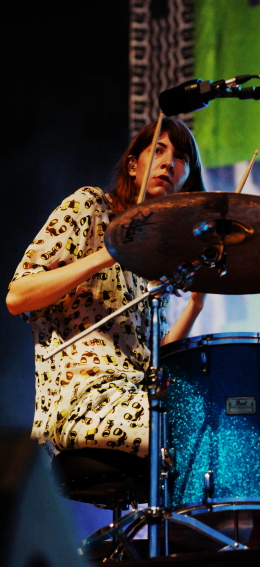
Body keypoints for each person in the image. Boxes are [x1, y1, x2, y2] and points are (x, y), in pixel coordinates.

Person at [6, 117, 207, 457]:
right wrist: (110, 252)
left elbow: (155, 360)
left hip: (137, 399)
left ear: (187, 182)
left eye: (181, 157)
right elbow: (18, 297)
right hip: (82, 404)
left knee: (213, 423)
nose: (169, 163)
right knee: (186, 433)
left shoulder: (153, 260)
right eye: (159, 150)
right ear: (133, 165)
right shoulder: (90, 206)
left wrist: (196, 305)